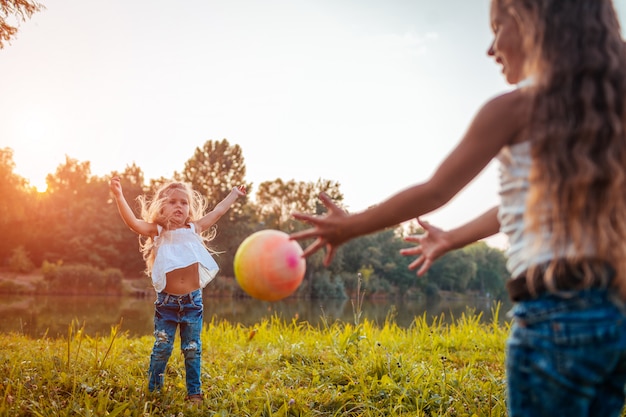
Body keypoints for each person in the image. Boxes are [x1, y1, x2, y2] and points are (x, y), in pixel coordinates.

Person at [291, 1, 626, 416]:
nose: (491, 49)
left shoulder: (513, 109)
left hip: (553, 318)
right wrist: (450, 237)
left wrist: (350, 226)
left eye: (498, 27)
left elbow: (436, 191)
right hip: (615, 317)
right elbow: (519, 210)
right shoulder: (610, 119)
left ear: (533, 23)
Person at [109, 176, 246, 404]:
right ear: (163, 206)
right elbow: (133, 222)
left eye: (183, 202)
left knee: (192, 349)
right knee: (162, 347)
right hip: (167, 303)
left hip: (192, 302)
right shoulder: (158, 231)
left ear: (189, 208)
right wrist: (119, 196)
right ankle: (154, 391)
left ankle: (194, 393)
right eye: (173, 202)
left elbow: (219, 211)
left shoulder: (195, 228)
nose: (179, 206)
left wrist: (234, 193)